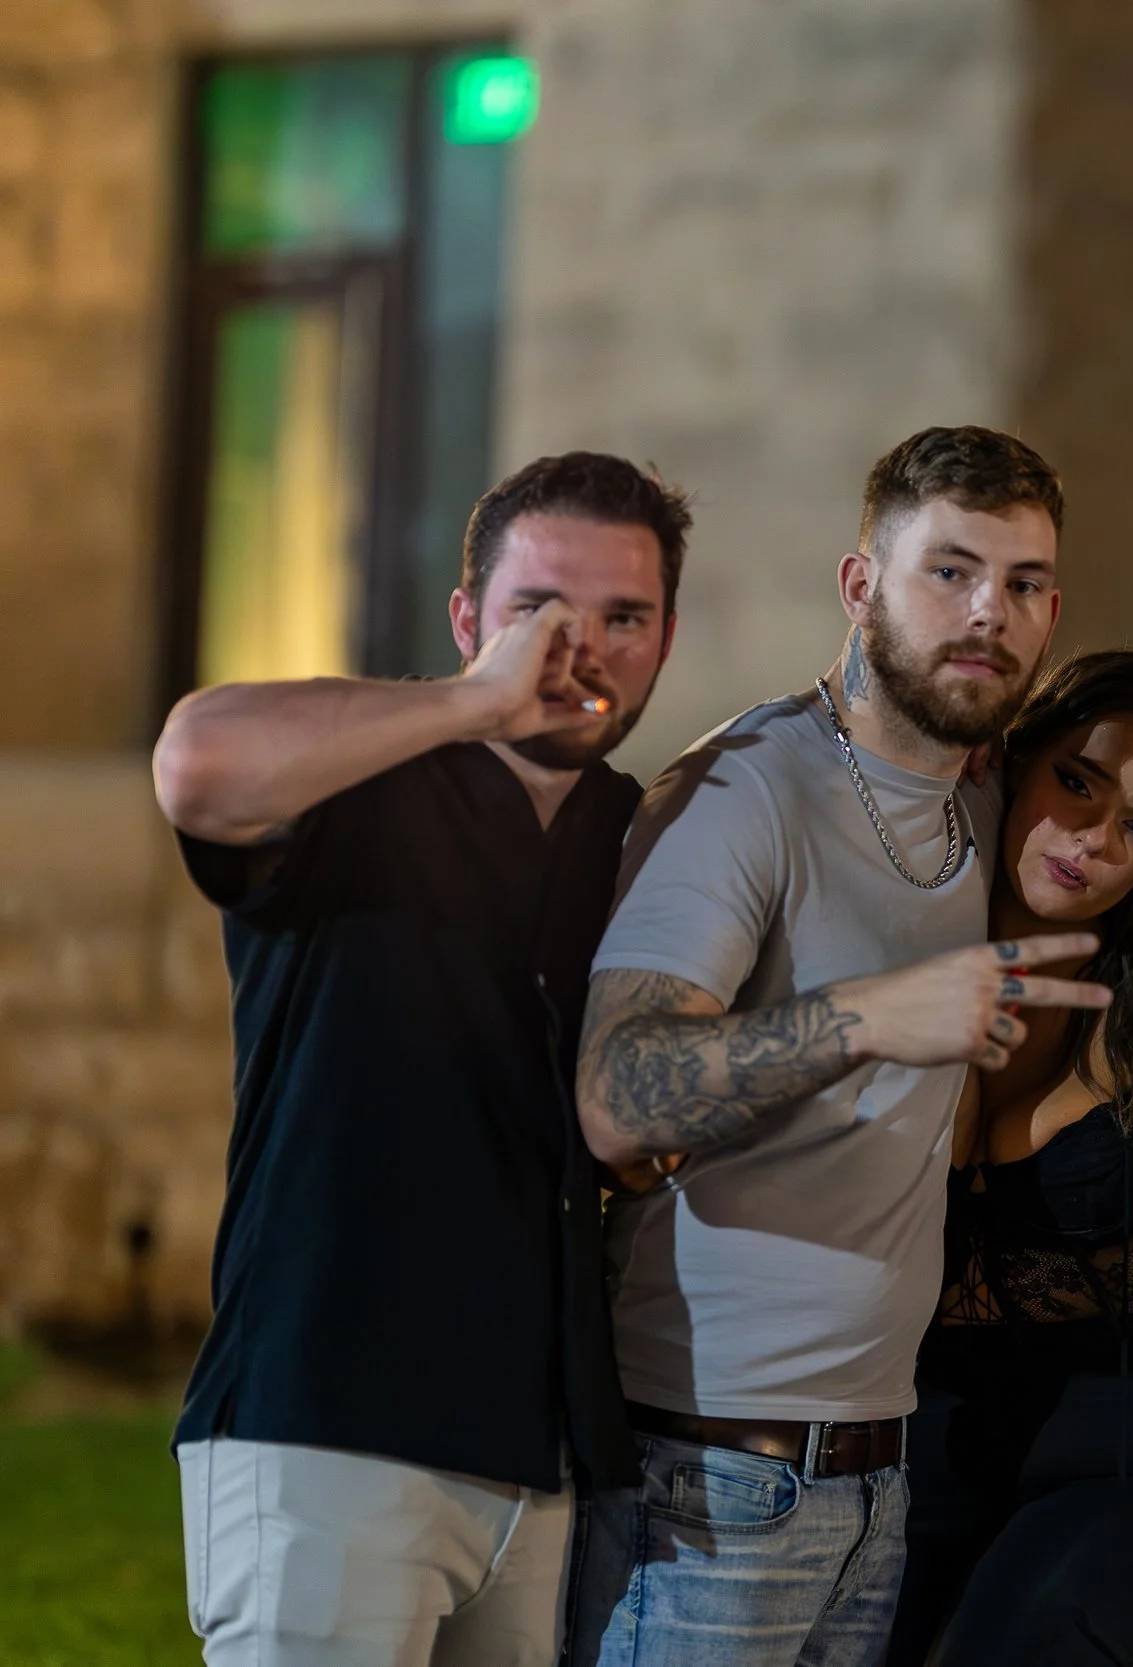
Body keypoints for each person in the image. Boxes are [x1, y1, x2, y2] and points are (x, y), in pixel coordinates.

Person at [565, 431, 1133, 1666]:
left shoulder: (982, 800)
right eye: (951, 571)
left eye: (1022, 584)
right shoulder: (738, 794)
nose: (988, 612)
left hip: (884, 1476)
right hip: (715, 1474)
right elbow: (613, 1098)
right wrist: (873, 1014)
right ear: (861, 585)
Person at [150, 452, 692, 1667]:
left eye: (624, 617)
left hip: (539, 1457)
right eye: (537, 612)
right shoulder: (359, 786)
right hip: (328, 1429)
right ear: (467, 621)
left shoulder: (640, 834)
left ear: (667, 634)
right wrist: (474, 704)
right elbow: (194, 761)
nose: (580, 650)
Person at [890, 650, 1133, 1666]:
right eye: (1077, 779)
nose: (1093, 839)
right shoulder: (888, 949)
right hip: (932, 1433)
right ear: (1012, 759)